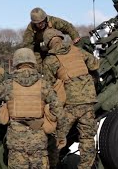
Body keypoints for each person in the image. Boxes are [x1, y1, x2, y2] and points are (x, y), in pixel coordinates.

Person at [0, 48, 65, 169]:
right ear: (32, 62)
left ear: (16, 63)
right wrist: (61, 135)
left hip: (16, 141)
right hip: (38, 140)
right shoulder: (43, 84)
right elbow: (58, 111)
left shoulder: (9, 84)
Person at [42, 28, 99, 169]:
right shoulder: (77, 51)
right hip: (88, 101)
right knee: (87, 138)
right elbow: (95, 64)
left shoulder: (50, 59)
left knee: (57, 138)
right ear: (60, 37)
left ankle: (52, 166)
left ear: (48, 43)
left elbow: (47, 87)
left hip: (69, 105)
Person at [21, 7, 81, 73]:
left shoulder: (53, 21)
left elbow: (68, 27)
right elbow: (27, 44)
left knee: (60, 59)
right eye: (38, 23)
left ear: (45, 19)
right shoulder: (30, 28)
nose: (40, 25)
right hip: (38, 49)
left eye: (41, 22)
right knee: (36, 65)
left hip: (54, 44)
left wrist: (75, 37)